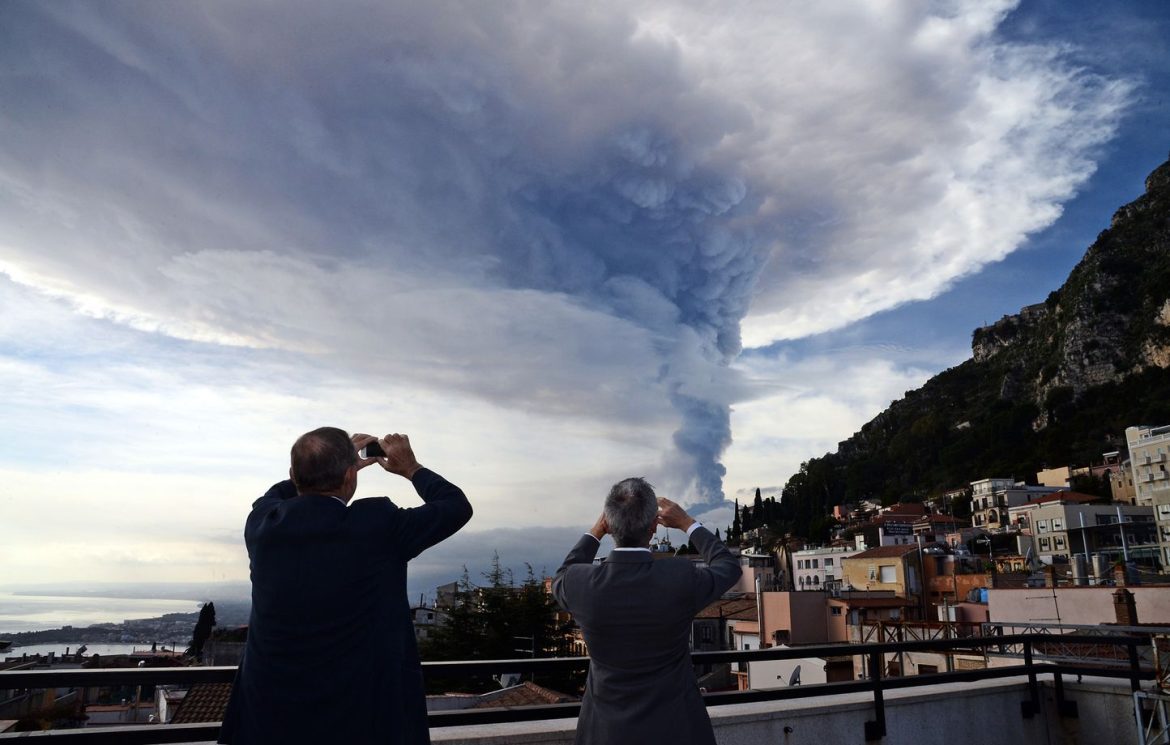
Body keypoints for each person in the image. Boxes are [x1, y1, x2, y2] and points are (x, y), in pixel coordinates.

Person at [219, 427, 472, 745]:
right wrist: (411, 468)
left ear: (293, 477)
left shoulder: (262, 526)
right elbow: (456, 505)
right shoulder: (378, 526)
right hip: (361, 722)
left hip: (267, 721)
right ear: (351, 476)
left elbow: (275, 495)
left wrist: (318, 468)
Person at [552, 477, 741, 745]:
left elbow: (562, 574)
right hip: (677, 729)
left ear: (608, 521)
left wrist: (596, 531)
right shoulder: (678, 576)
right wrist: (688, 523)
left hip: (604, 733)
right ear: (654, 525)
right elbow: (728, 567)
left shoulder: (581, 583)